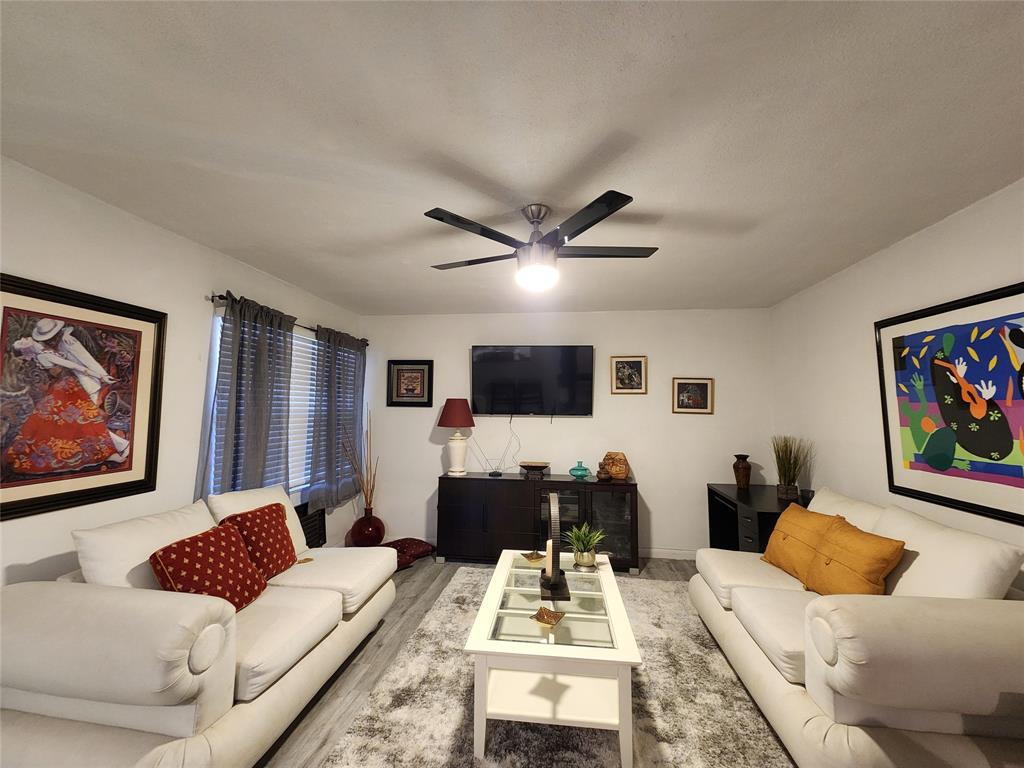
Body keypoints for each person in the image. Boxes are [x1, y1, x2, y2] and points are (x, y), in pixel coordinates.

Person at [4, 317, 129, 477]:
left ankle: (117, 447)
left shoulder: (45, 351)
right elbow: (75, 366)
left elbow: (63, 351)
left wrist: (65, 336)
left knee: (85, 421)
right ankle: (114, 449)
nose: (28, 339)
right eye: (27, 341)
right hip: (66, 388)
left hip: (66, 387)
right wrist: (102, 376)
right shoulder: (45, 355)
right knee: (84, 422)